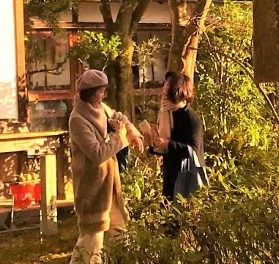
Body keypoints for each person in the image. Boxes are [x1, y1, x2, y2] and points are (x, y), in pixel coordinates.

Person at [68, 69, 144, 264]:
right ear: (90, 93)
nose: (103, 95)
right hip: (92, 188)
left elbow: (120, 117)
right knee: (91, 244)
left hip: (110, 185)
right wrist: (120, 136)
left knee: (121, 237)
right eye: (100, 91)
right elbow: (97, 154)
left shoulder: (101, 108)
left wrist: (132, 132)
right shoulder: (77, 119)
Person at [148, 72, 205, 200]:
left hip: (186, 179)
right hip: (170, 177)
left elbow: (193, 151)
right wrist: (153, 143)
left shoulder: (190, 118)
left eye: (168, 85)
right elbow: (165, 149)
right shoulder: (166, 114)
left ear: (177, 90)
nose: (164, 88)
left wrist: (167, 144)